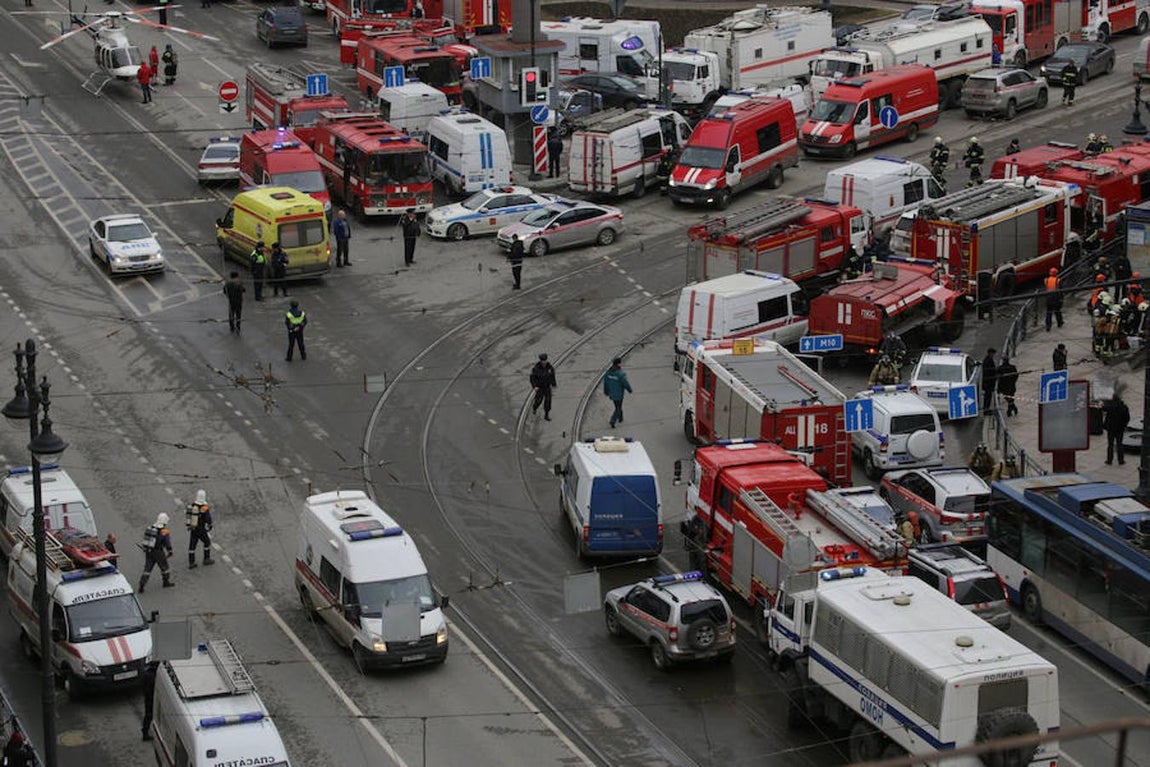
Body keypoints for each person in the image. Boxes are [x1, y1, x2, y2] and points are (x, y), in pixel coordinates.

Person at [138, 512, 174, 592]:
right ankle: (166, 582)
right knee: (164, 567)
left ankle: (142, 584)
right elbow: (167, 543)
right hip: (159, 552)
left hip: (149, 551)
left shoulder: (150, 528)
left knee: (147, 568)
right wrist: (170, 551)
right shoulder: (164, 531)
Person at [185, 489, 214, 568]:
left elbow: (188, 515)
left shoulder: (192, 505)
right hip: (201, 529)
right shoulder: (204, 507)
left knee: (192, 546)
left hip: (193, 528)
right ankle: (206, 559)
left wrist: (189, 525)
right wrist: (210, 525)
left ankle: (191, 562)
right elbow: (208, 519)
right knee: (207, 542)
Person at [603, 357, 632, 428]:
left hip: (612, 393)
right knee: (618, 408)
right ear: (618, 364)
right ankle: (613, 420)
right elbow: (625, 383)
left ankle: (620, 418)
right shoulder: (621, 374)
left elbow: (605, 383)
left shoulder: (608, 373)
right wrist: (629, 390)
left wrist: (606, 391)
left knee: (617, 406)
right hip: (619, 394)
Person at [1103, 394, 1131, 465]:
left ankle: (1109, 460)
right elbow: (1127, 418)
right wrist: (1124, 425)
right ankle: (1121, 460)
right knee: (1119, 444)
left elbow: (1103, 408)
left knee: (1110, 444)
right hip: (1120, 429)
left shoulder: (1110, 407)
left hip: (1111, 428)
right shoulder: (1124, 407)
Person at [530, 353, 557, 420]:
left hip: (547, 387)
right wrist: (535, 386)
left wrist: (554, 384)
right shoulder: (536, 368)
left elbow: (552, 376)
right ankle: (535, 407)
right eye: (543, 361)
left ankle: (546, 415)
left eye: (545, 360)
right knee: (539, 400)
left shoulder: (549, 367)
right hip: (540, 387)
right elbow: (532, 378)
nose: (544, 362)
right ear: (540, 361)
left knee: (548, 401)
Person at [140, 659, 159, 741]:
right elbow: (150, 689)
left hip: (148, 697)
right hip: (151, 698)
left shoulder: (147, 673)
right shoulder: (152, 676)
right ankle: (145, 732)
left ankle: (145, 731)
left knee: (148, 715)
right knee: (149, 715)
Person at [981, 348, 998, 412]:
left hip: (989, 382)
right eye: (993, 353)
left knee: (988, 396)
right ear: (990, 353)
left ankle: (987, 408)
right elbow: (988, 371)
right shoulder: (987, 360)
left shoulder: (989, 360)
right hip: (988, 382)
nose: (993, 355)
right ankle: (986, 409)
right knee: (987, 396)